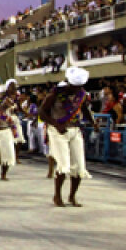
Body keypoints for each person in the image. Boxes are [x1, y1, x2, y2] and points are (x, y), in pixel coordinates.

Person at [39, 67, 96, 207]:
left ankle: (72, 196)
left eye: (80, 86)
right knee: (64, 166)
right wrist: (56, 124)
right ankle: (57, 196)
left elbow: (84, 109)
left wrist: (93, 122)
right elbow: (42, 112)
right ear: (69, 83)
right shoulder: (55, 94)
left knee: (79, 167)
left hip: (75, 130)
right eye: (75, 86)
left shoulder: (81, 94)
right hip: (57, 131)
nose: (78, 89)